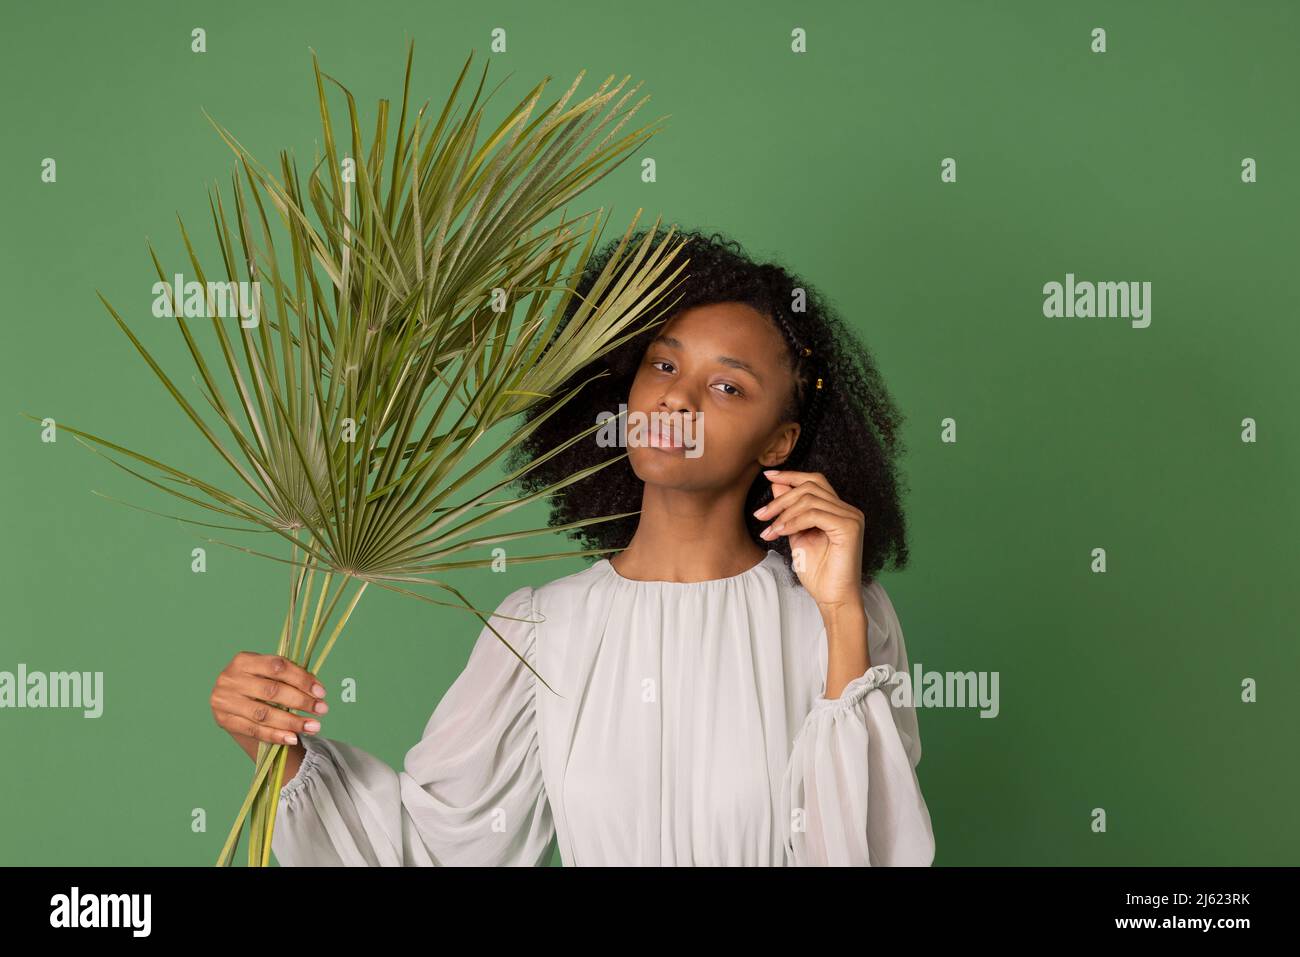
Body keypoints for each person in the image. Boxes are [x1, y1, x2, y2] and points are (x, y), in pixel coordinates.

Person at [209, 227, 936, 866]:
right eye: (663, 365)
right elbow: (431, 850)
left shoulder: (841, 617)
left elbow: (869, 852)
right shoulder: (541, 631)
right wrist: (278, 745)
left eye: (726, 386)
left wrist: (840, 614)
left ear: (781, 440)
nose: (677, 400)